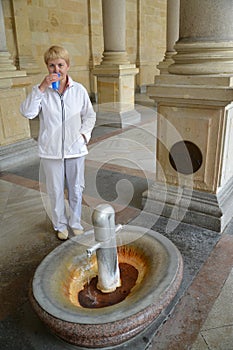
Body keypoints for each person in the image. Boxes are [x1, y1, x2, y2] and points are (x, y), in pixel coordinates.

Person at [20, 45, 96, 240]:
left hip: (76, 150)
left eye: (60, 65)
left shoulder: (79, 90)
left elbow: (90, 116)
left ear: (68, 65)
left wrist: (84, 136)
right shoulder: (41, 92)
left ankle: (76, 222)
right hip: (50, 152)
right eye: (52, 65)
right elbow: (28, 112)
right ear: (47, 67)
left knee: (76, 190)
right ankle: (60, 225)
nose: (56, 70)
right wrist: (41, 88)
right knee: (55, 191)